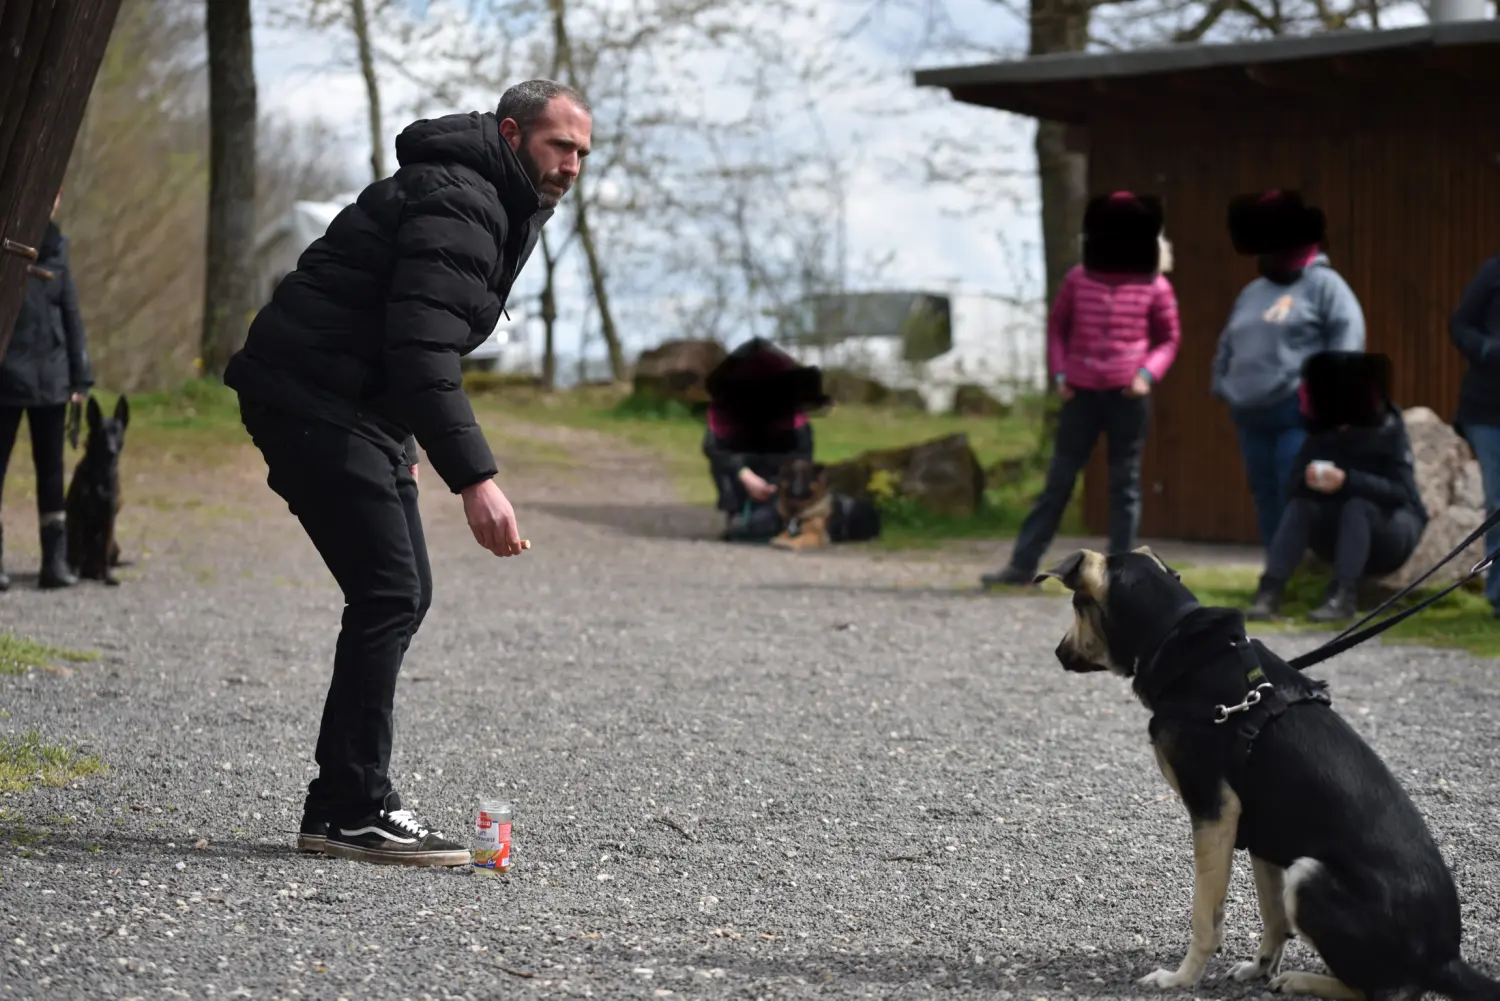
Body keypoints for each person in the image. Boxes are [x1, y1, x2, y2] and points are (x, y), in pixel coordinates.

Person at [222, 79, 591, 867]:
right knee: (390, 590)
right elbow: (421, 347)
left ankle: (342, 806)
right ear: (512, 131)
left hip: (343, 401)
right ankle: (352, 807)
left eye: (584, 153)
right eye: (560, 146)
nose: (572, 166)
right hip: (309, 397)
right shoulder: (466, 197)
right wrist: (476, 478)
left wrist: (403, 438)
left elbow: (403, 326)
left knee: (397, 591)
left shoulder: (494, 196)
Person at [981, 191, 1181, 588]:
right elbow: (1057, 328)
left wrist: (1146, 374)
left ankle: (1120, 577)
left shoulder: (1155, 285)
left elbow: (1169, 338)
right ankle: (1022, 566)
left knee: (1124, 484)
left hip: (1128, 395)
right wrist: (1059, 375)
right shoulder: (1077, 279)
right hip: (1082, 394)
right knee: (1059, 481)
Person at [1213, 190, 1366, 551]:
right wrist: (1222, 382)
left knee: (1292, 487)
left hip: (1295, 411)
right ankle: (1276, 572)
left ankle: (1294, 574)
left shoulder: (1325, 286)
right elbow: (1228, 341)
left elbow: (1348, 338)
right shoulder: (1254, 291)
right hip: (1249, 411)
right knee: (1265, 492)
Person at [1246, 351, 1426, 624]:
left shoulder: (1388, 429)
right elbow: (1291, 488)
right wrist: (1308, 481)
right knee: (1301, 505)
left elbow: (1403, 494)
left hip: (1390, 535)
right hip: (1338, 535)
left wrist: (1348, 480)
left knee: (1357, 505)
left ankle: (1342, 597)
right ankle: (1269, 592)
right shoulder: (1321, 431)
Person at [0, 189, 93, 591]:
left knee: (51, 473)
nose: (50, 200)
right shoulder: (7, 238)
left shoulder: (57, 245)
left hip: (51, 378)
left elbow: (70, 312)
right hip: (5, 376)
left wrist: (80, 377)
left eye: (55, 194)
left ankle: (53, 563)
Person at [701, 337, 828, 542]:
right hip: (743, 475)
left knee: (758, 526)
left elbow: (803, 460)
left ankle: (778, 518)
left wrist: (777, 485)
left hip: (776, 481)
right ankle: (737, 512)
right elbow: (713, 447)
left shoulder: (795, 419)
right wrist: (745, 475)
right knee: (722, 465)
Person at [1447, 249, 1500, 617]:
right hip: (1488, 408)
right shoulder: (1494, 271)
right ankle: (1498, 596)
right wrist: (1488, 348)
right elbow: (1460, 325)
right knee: (1498, 500)